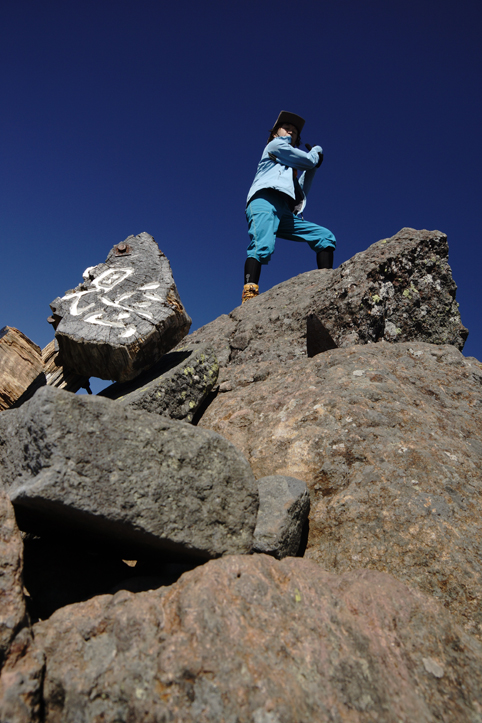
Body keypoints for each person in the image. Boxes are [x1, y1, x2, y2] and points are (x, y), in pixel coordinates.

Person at [242, 110, 336, 303]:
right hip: (264, 201)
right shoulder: (274, 145)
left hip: (284, 211)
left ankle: (327, 285)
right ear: (275, 133)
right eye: (287, 128)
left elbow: (300, 191)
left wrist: (313, 169)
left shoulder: (291, 168)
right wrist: (316, 153)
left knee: (325, 236)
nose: (291, 131)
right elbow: (308, 160)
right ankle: (249, 295)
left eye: (295, 131)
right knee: (263, 247)